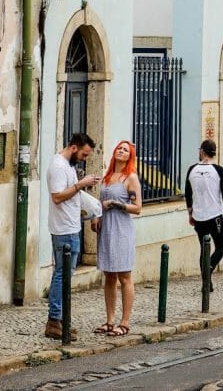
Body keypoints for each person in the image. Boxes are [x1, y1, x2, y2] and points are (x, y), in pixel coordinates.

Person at [46, 133, 99, 341]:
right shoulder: (59, 166)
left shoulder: (67, 165)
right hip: (64, 229)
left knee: (64, 275)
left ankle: (60, 321)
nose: (85, 158)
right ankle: (54, 321)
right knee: (62, 275)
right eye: (84, 154)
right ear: (74, 148)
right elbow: (57, 197)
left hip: (70, 226)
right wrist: (79, 184)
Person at [92, 140, 142, 337]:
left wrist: (116, 204)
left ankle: (125, 321)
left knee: (124, 276)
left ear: (130, 156)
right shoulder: (108, 177)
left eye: (125, 150)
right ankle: (110, 320)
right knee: (109, 276)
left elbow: (137, 208)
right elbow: (100, 202)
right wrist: (96, 216)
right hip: (106, 228)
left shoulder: (130, 178)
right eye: (119, 148)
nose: (121, 151)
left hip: (121, 229)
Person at [185, 140, 223, 291]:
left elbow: (188, 194)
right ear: (214, 152)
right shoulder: (218, 170)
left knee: (203, 248)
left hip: (199, 216)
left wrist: (190, 214)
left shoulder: (191, 170)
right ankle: (210, 267)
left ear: (202, 152)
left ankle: (207, 283)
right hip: (215, 216)